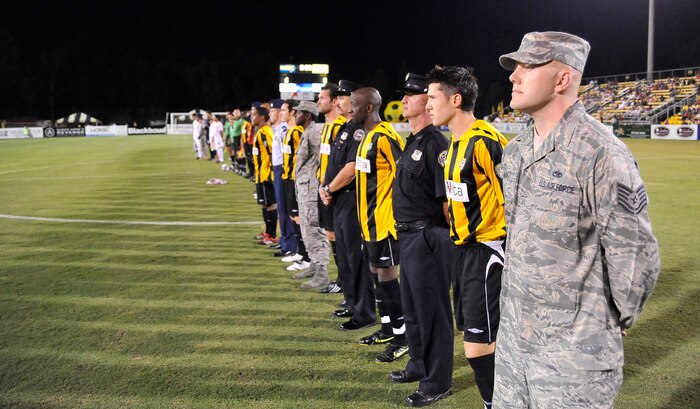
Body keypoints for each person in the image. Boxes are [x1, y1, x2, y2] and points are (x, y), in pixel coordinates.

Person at [493, 31, 660, 408]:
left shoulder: (600, 152)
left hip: (573, 359)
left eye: (527, 66)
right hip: (514, 347)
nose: (513, 77)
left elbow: (634, 250)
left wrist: (616, 318)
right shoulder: (516, 151)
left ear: (562, 79)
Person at [426, 65, 508, 409]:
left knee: (478, 345)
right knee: (479, 340)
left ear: (455, 100)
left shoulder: (486, 143)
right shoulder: (454, 145)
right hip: (462, 251)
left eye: (432, 98)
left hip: (486, 251)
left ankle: (497, 403)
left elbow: (518, 199)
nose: (427, 104)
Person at [389, 73, 454, 407]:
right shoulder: (411, 141)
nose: (405, 99)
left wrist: (438, 243)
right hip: (407, 237)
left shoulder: (435, 144)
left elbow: (446, 205)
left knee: (434, 312)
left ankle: (438, 380)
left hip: (428, 236)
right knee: (412, 309)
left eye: (412, 94)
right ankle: (418, 363)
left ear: (426, 104)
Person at [350, 87, 408, 363]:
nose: (350, 109)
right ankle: (387, 329)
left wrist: (396, 215)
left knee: (387, 277)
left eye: (353, 105)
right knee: (377, 275)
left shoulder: (385, 136)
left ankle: (403, 337)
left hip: (384, 222)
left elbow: (405, 175)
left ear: (369, 107)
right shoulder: (367, 138)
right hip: (368, 222)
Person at [319, 80, 377, 332]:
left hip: (351, 200)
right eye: (343, 99)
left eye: (346, 99)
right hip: (337, 200)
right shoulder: (345, 128)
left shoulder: (358, 131)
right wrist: (326, 188)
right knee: (344, 255)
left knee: (355, 257)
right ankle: (352, 303)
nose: (343, 104)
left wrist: (329, 188)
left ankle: (364, 312)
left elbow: (351, 169)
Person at [293, 100, 330, 288]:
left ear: (307, 115)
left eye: (298, 112)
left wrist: (321, 183)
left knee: (314, 229)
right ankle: (314, 265)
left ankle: (322, 272)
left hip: (311, 188)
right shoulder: (307, 131)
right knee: (307, 228)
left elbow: (325, 158)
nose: (294, 115)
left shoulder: (315, 131)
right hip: (304, 187)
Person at [314, 83, 346, 291]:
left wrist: (329, 188)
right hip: (325, 187)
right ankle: (342, 279)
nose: (318, 101)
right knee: (331, 234)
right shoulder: (328, 127)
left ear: (334, 101)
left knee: (339, 236)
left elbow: (342, 164)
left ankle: (345, 280)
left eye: (322, 98)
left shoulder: (342, 127)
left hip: (335, 191)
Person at [279, 99, 311, 267]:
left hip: (295, 179)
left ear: (292, 112)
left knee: (298, 217)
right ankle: (300, 252)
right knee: (293, 216)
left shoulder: (297, 131)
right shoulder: (290, 132)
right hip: (287, 177)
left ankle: (306, 256)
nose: (281, 113)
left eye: (284, 110)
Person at [269, 98, 296, 257]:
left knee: (285, 208)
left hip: (283, 169)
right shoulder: (279, 128)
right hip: (277, 168)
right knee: (281, 207)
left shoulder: (286, 129)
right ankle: (285, 241)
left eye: (274, 111)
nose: (271, 114)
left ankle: (290, 244)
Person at [251, 106, 278, 245]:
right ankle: (267, 232)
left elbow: (273, 153)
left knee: (270, 204)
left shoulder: (265, 132)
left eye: (254, 114)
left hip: (266, 174)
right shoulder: (260, 131)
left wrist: (271, 173)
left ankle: (272, 235)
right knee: (264, 204)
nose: (251, 117)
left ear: (262, 117)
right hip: (260, 174)